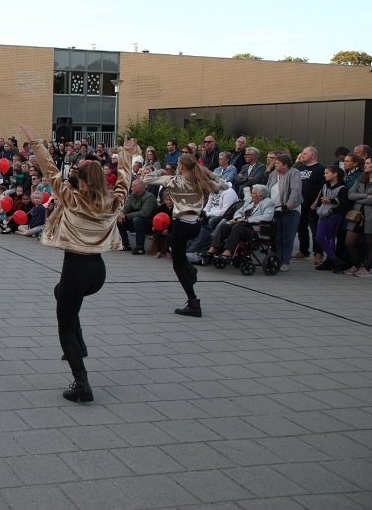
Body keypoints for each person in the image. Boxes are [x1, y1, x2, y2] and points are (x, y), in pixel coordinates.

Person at [23, 124, 133, 403]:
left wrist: (36, 143)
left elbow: (49, 171)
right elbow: (124, 182)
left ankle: (82, 384)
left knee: (64, 327)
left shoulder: (71, 198)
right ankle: (79, 343)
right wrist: (127, 156)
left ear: (82, 182)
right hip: (97, 271)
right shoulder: (112, 202)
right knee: (61, 293)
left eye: (75, 176)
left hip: (76, 267)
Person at [142, 153, 229, 317]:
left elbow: (146, 180)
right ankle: (190, 270)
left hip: (181, 226)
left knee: (178, 266)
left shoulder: (173, 181)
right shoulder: (201, 182)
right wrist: (209, 173)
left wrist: (158, 171)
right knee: (176, 251)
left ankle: (193, 302)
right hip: (195, 225)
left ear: (181, 167)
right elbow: (224, 186)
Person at [342, 156, 372, 278]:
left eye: (368, 163)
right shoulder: (361, 178)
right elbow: (350, 195)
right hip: (356, 215)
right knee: (349, 242)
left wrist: (363, 197)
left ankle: (366, 268)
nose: (366, 165)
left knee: (370, 243)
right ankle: (356, 264)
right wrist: (366, 195)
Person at [207, 184, 274, 258]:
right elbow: (238, 212)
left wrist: (248, 220)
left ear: (261, 195)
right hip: (243, 225)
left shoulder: (268, 203)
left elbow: (267, 217)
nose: (251, 195)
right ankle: (213, 248)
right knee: (224, 226)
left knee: (237, 227)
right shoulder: (250, 201)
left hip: (256, 230)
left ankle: (228, 251)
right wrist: (238, 218)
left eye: (253, 193)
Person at [270, 153, 303, 273]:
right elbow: (269, 189)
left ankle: (285, 261)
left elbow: (296, 190)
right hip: (276, 209)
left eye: (277, 163)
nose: (275, 165)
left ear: (285, 165)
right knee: (277, 236)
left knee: (287, 237)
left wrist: (290, 203)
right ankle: (278, 259)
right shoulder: (273, 174)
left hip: (290, 210)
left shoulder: (294, 173)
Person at [313, 164, 348, 272]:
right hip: (323, 214)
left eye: (327, 173)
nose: (325, 175)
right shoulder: (325, 186)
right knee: (319, 237)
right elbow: (321, 198)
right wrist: (319, 205)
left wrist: (331, 205)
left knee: (330, 238)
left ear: (335, 174)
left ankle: (330, 261)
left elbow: (343, 204)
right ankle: (335, 260)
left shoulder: (342, 188)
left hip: (333, 215)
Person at [294, 147, 326, 265]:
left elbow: (323, 187)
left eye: (305, 153)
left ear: (313, 155)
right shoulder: (300, 168)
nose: (302, 155)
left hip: (313, 204)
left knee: (315, 229)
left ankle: (318, 253)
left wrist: (317, 202)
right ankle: (303, 250)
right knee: (301, 228)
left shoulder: (320, 169)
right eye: (302, 153)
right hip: (300, 203)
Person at [117, 179, 156, 254]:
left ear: (140, 187)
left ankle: (140, 248)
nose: (131, 188)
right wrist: (122, 214)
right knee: (119, 219)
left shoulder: (149, 197)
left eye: (133, 186)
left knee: (137, 219)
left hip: (149, 223)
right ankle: (125, 244)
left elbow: (144, 213)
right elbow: (127, 207)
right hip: (135, 220)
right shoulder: (132, 195)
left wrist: (126, 216)